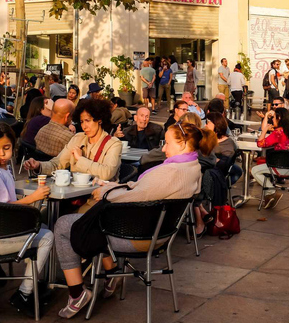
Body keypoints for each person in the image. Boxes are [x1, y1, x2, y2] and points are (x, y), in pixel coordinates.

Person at [51, 121, 208, 318]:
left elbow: (132, 197)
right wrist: (111, 186)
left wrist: (105, 191)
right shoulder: (192, 167)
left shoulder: (171, 172)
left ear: (183, 145)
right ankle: (112, 272)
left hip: (137, 236)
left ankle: (77, 293)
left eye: (167, 143)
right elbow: (142, 191)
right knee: (89, 220)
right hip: (159, 234)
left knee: (64, 224)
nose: (164, 148)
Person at [0, 122, 53, 316]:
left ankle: (34, 284)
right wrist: (32, 199)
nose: (3, 153)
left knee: (43, 227)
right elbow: (0, 209)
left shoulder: (0, 169)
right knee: (47, 236)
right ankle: (24, 292)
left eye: (7, 148)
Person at [23, 98, 123, 182]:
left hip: (100, 198)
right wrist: (38, 165)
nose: (84, 126)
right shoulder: (78, 138)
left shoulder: (113, 144)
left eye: (87, 121)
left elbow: (106, 173)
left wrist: (80, 159)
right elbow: (57, 164)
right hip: (76, 196)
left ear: (100, 120)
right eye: (81, 122)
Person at [253, 107, 289, 208]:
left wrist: (264, 130)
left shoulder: (279, 132)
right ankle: (269, 196)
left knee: (254, 170)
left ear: (279, 118)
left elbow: (260, 144)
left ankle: (270, 191)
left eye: (274, 117)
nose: (273, 120)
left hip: (282, 167)